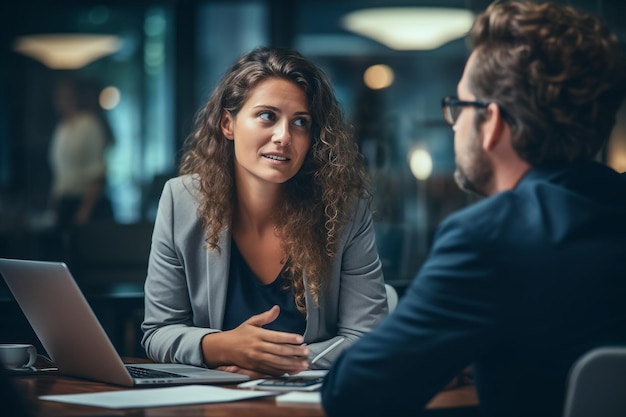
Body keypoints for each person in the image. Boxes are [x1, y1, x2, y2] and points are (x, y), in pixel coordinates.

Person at [321, 2, 626, 417]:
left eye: (460, 106)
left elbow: (353, 394)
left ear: (493, 122)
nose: (453, 123)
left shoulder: (490, 237)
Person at [141, 46, 388, 379]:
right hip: (212, 404)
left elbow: (367, 339)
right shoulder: (180, 201)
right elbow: (159, 331)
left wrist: (271, 362)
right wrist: (225, 347)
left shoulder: (343, 212)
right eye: (268, 116)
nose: (284, 136)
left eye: (300, 122)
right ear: (228, 123)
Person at [48, 76, 114, 228]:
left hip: (83, 203)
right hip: (64, 202)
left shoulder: (89, 125)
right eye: (60, 96)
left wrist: (85, 211)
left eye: (67, 95)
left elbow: (97, 173)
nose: (62, 100)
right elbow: (60, 173)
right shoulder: (62, 128)